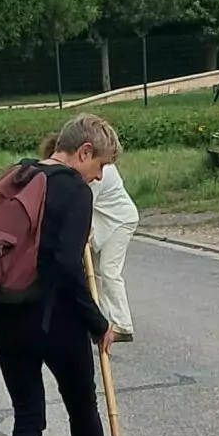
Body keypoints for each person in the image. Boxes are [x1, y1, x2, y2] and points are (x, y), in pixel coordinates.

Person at [0, 114, 118, 436]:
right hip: (53, 319)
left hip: (2, 314)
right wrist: (98, 323)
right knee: (81, 403)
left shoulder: (18, 175)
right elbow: (65, 268)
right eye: (100, 165)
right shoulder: (74, 190)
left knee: (27, 418)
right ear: (84, 151)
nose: (98, 177)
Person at [89, 122, 140, 341]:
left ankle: (123, 325)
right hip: (105, 220)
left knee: (109, 270)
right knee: (93, 272)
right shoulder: (93, 164)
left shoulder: (101, 169)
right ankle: (102, 321)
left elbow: (83, 203)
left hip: (121, 220)